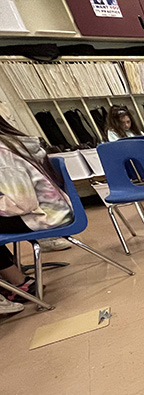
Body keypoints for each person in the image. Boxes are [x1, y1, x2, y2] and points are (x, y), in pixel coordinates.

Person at [0, 114, 74, 311]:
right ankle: (13, 278)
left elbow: (22, 203)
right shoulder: (11, 142)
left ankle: (18, 282)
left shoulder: (2, 152)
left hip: (45, 215)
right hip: (52, 209)